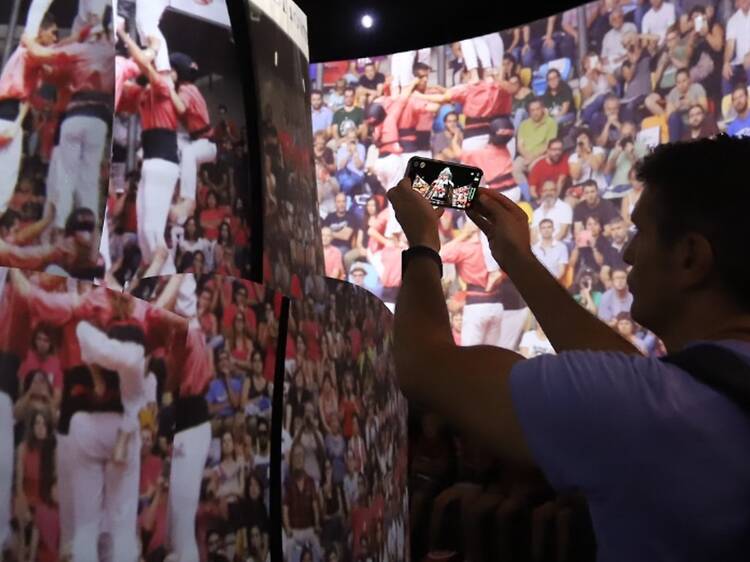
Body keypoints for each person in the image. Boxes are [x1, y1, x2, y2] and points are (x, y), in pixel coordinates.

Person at [386, 134, 750, 561]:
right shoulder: (682, 398)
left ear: (690, 257)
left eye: (641, 231)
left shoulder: (650, 409)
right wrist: (517, 258)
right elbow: (630, 378)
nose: (628, 252)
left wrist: (423, 242)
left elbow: (423, 365)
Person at [513, 98, 558, 186]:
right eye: (532, 110)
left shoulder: (551, 123)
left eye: (537, 109)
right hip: (525, 155)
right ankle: (527, 196)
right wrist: (527, 156)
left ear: (543, 109)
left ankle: (537, 195)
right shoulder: (524, 124)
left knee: (535, 168)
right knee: (515, 168)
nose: (535, 112)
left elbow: (548, 145)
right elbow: (520, 145)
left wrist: (532, 157)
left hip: (542, 155)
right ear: (529, 112)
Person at [527, 138, 569, 202]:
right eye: (554, 149)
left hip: (556, 197)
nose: (557, 152)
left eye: (559, 149)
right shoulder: (538, 166)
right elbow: (532, 190)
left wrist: (555, 199)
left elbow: (561, 181)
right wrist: (538, 200)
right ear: (548, 150)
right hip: (541, 198)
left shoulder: (564, 159)